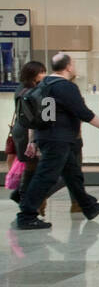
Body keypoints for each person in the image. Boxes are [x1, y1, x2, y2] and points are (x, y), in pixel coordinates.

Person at [14, 53, 99, 231]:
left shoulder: (43, 84)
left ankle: (88, 206)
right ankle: (26, 215)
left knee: (73, 175)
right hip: (59, 139)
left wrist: (33, 140)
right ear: (69, 67)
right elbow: (83, 112)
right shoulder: (65, 87)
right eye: (73, 64)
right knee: (45, 177)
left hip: (48, 137)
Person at [7, 61, 45, 210]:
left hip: (21, 129)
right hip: (26, 131)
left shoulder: (21, 89)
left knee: (31, 166)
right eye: (41, 72)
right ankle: (23, 198)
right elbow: (33, 117)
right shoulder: (30, 91)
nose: (44, 75)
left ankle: (22, 196)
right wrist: (33, 139)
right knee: (32, 166)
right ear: (33, 74)